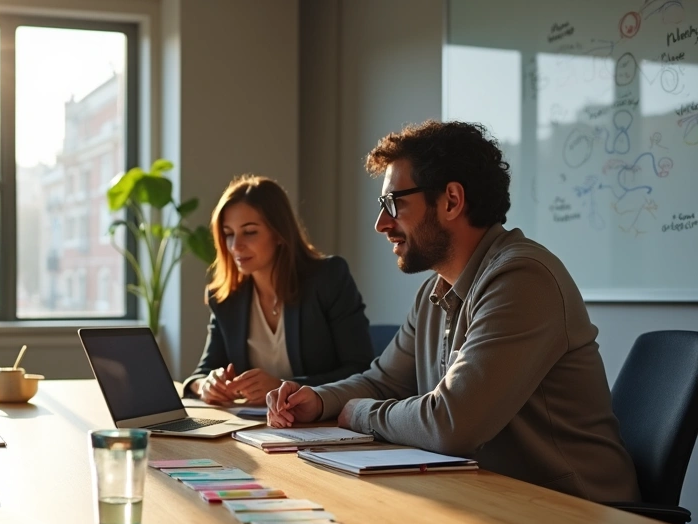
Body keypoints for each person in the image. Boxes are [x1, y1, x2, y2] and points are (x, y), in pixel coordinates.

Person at [266, 120, 639, 502]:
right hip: (496, 500)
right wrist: (319, 399)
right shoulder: (436, 290)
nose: (382, 224)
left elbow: (451, 424)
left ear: (451, 201)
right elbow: (384, 382)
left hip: (581, 516)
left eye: (394, 204)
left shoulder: (523, 279)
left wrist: (357, 412)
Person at [184, 175, 373, 406]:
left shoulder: (328, 278)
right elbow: (201, 373)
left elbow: (362, 371)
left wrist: (283, 386)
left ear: (279, 234)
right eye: (228, 233)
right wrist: (206, 385)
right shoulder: (225, 298)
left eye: (250, 232)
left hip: (325, 423)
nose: (235, 246)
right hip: (257, 428)